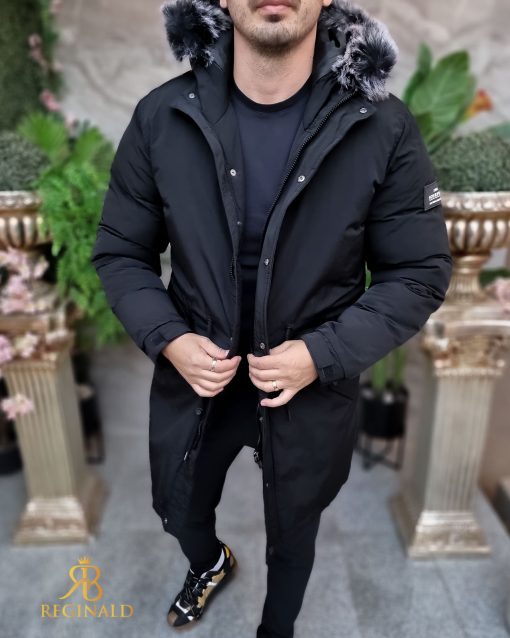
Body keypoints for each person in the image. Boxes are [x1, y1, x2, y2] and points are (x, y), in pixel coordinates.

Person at [90, 0, 453, 635]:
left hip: (309, 383)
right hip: (199, 377)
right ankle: (210, 562)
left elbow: (418, 272)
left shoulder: (383, 126)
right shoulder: (163, 115)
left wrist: (321, 354)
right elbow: (121, 252)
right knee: (179, 510)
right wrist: (170, 340)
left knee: (294, 531)